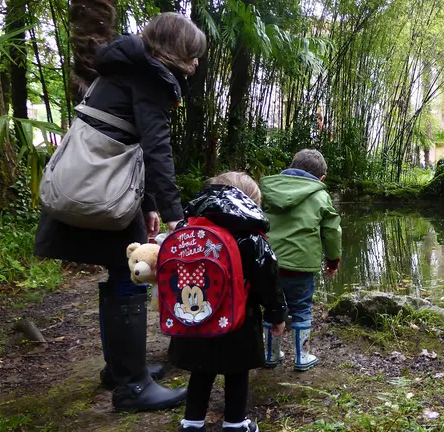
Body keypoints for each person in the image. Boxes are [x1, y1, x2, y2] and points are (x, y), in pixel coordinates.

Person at [34, 13, 206, 411]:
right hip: (106, 191)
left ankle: (120, 369)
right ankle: (133, 387)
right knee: (130, 277)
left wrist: (147, 205)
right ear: (174, 51)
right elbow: (155, 149)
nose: (195, 63)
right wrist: (176, 217)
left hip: (92, 182)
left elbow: (125, 138)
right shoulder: (150, 76)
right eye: (192, 55)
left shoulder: (124, 65)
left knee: (119, 271)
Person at [169, 172, 288, 432]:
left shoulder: (188, 229)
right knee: (237, 371)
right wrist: (276, 314)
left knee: (201, 370)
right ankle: (235, 423)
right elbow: (267, 280)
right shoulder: (251, 237)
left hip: (196, 315)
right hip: (238, 319)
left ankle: (192, 422)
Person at [259, 149, 342, 371]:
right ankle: (301, 357)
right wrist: (333, 262)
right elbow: (332, 232)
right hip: (301, 266)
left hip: (268, 263)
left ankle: (270, 355)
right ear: (321, 178)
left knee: (271, 306)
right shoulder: (320, 196)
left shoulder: (269, 190)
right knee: (302, 308)